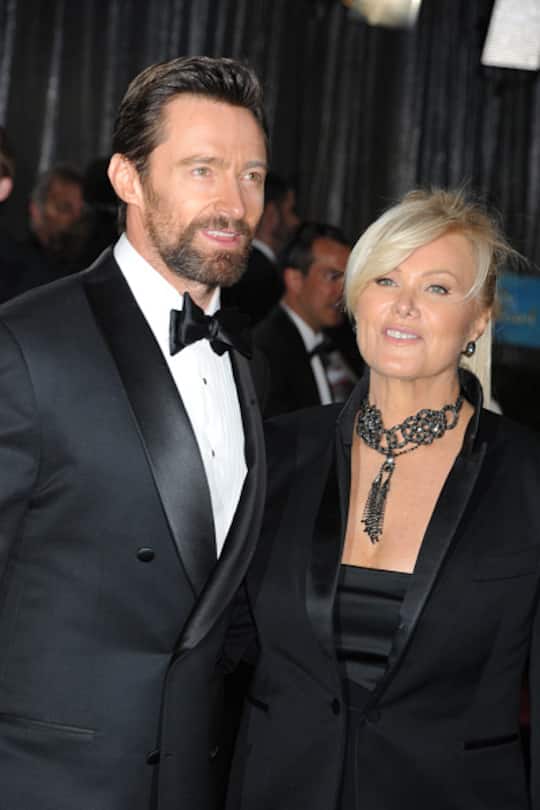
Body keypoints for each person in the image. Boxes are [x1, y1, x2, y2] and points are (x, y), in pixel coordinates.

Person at [0, 55, 268, 810]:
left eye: (251, 175)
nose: (233, 202)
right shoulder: (26, 344)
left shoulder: (245, 360)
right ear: (128, 178)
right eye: (202, 170)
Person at [226, 189, 540, 810]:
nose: (404, 304)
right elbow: (221, 647)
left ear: (479, 317)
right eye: (385, 279)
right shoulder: (276, 453)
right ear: (356, 298)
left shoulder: (528, 478)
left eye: (438, 288)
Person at [254, 221, 358, 416]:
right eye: (332, 276)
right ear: (295, 280)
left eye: (348, 279)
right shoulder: (265, 353)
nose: (344, 291)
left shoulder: (342, 339)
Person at [222, 172, 299, 324]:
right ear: (272, 215)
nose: (296, 221)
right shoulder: (267, 280)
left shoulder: (229, 265)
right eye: (291, 210)